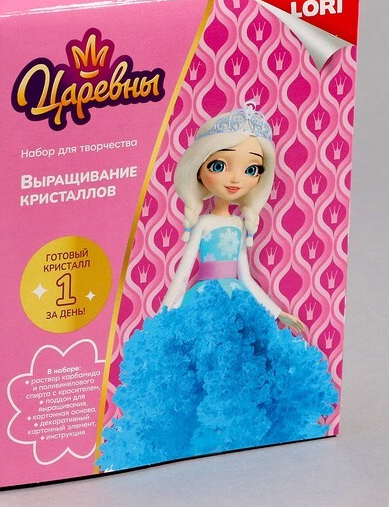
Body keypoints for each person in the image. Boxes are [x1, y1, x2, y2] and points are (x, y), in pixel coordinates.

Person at [98, 103, 338, 472]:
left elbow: (247, 277)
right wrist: (165, 312)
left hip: (238, 304)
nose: (236, 178)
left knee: (245, 369)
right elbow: (183, 271)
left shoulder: (239, 226)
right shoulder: (205, 224)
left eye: (252, 169)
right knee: (200, 370)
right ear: (200, 167)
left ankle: (238, 437)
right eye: (221, 165)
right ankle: (201, 441)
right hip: (203, 304)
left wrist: (279, 312)